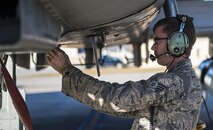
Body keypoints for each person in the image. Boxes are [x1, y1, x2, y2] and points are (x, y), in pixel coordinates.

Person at [46, 14, 203, 130]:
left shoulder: (174, 81)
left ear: (176, 44)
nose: (153, 47)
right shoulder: (183, 78)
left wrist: (68, 71)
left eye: (157, 41)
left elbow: (117, 99)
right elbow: (125, 107)